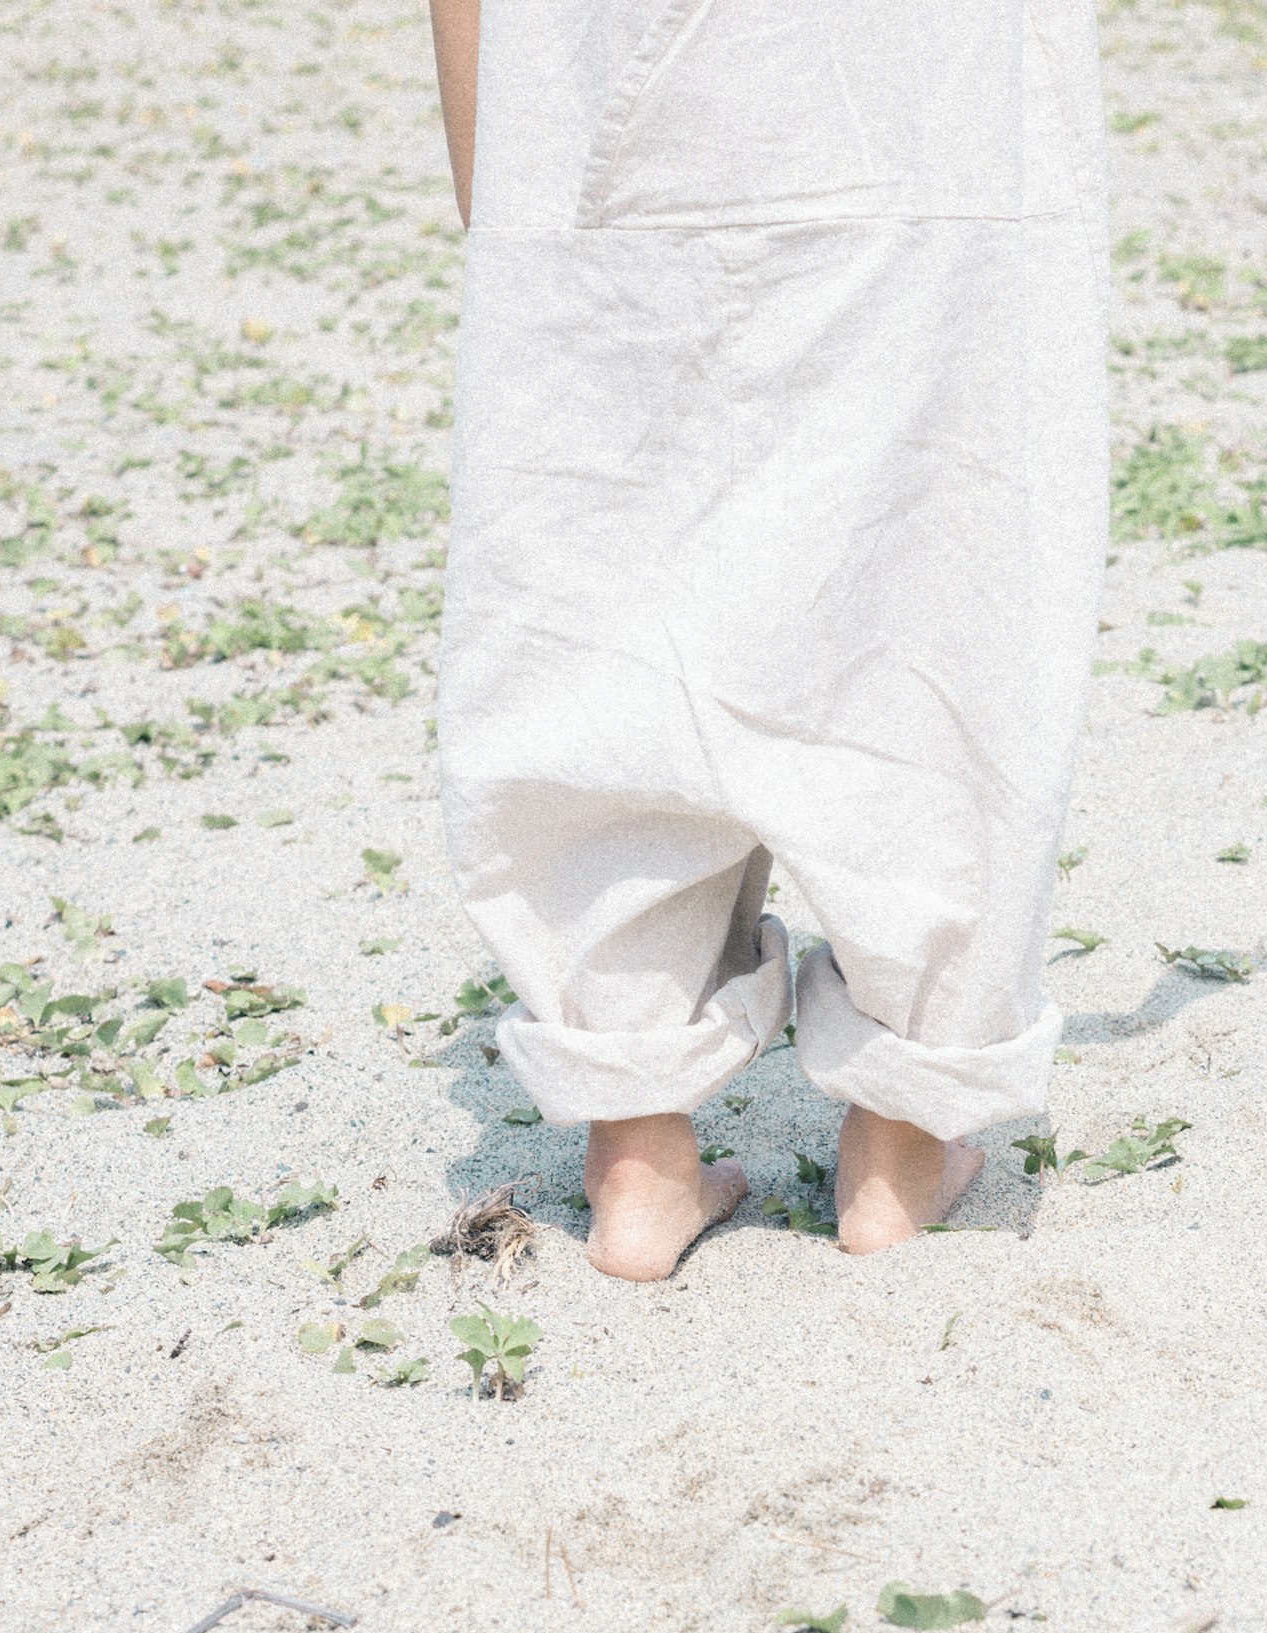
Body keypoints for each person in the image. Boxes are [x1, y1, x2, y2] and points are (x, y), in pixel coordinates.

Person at [425, 0, 1111, 1274]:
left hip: (598, 92)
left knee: (597, 572)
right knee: (932, 568)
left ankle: (637, 1154)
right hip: (926, 87)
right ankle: (900, 1148)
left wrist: (503, 176)